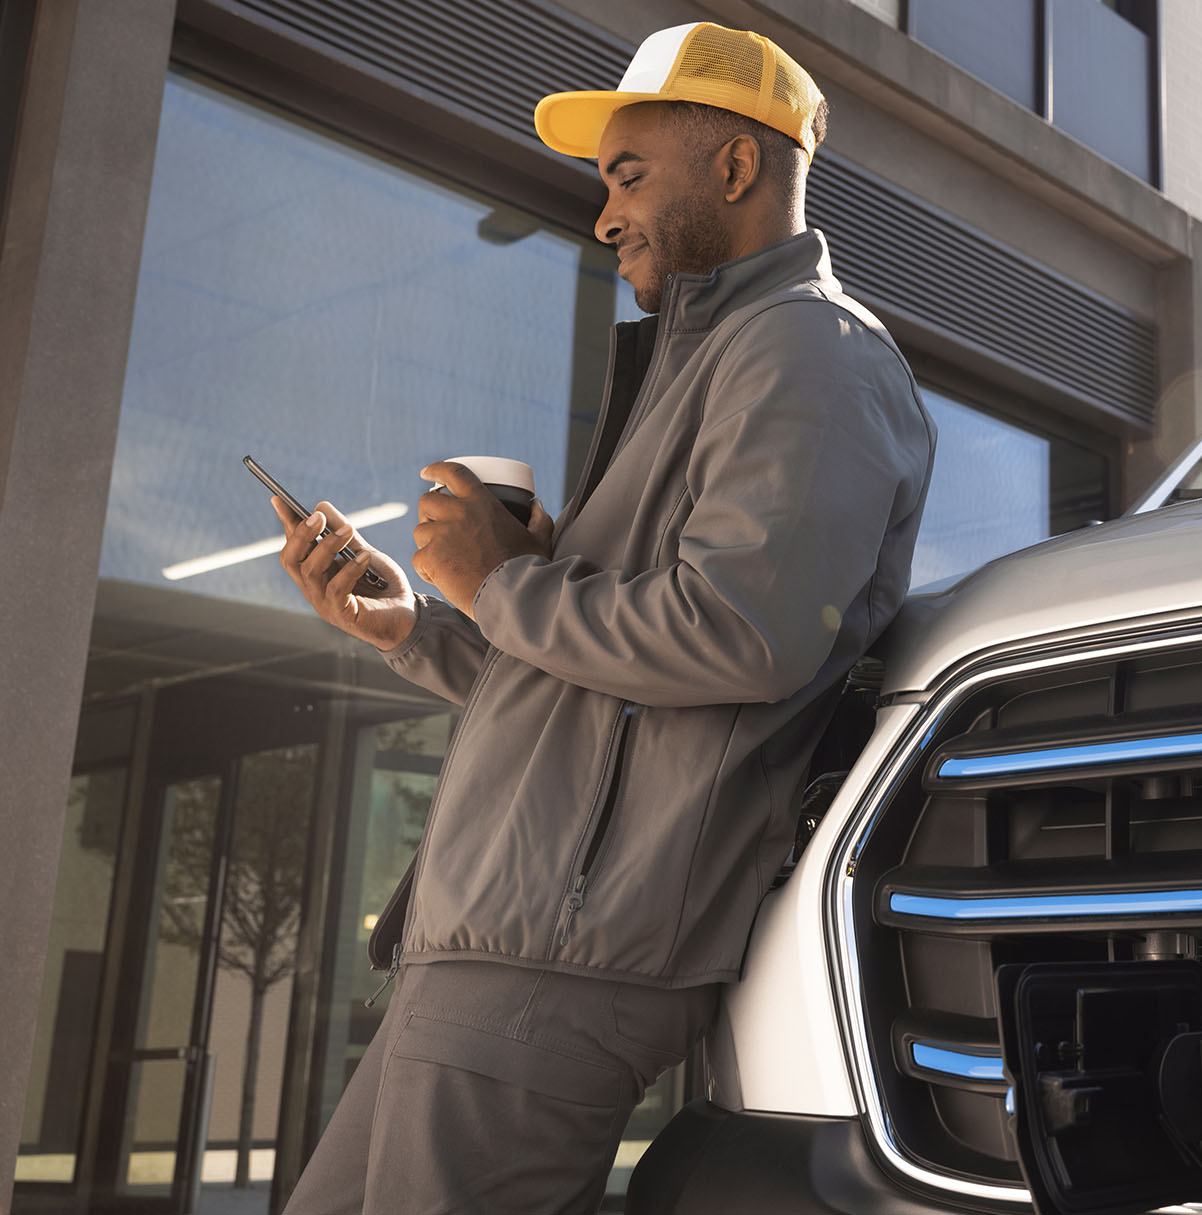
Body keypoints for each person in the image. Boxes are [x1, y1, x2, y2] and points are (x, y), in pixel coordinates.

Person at [271, 22, 935, 1213]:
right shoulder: (714, 361)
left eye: (629, 175)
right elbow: (597, 701)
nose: (604, 216)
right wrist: (417, 624)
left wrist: (502, 583)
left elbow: (742, 635)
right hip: (505, 945)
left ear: (735, 168)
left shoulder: (809, 354)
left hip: (562, 958)